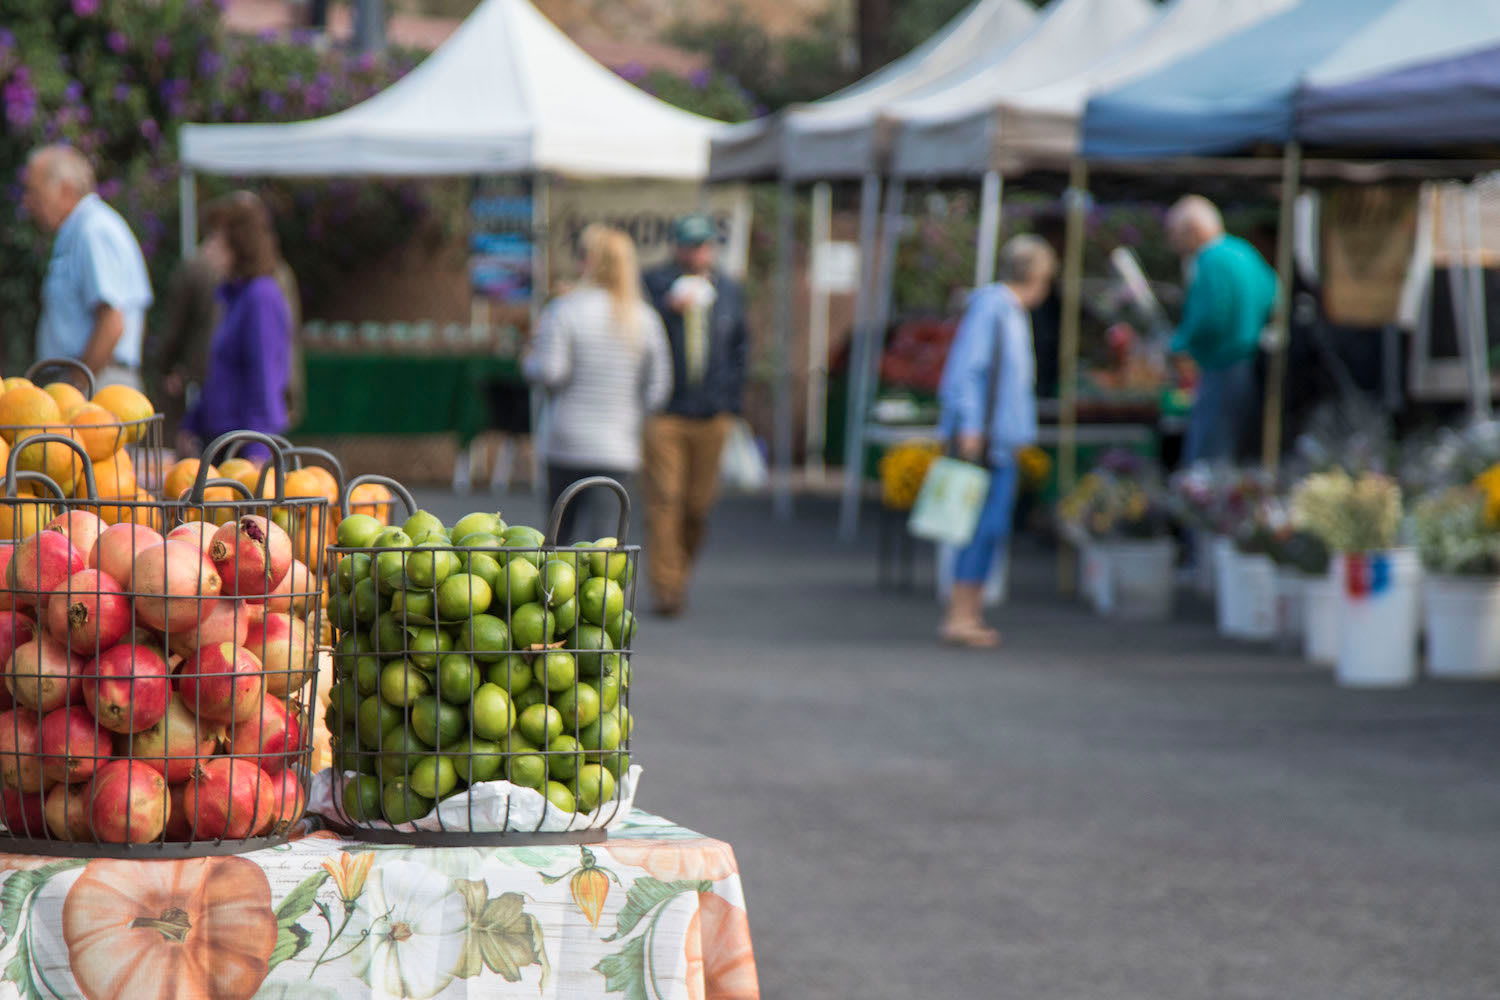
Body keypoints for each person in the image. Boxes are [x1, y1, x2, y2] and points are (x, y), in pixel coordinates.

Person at [937, 235, 1056, 648]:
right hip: (984, 441)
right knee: (980, 527)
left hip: (999, 440)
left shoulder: (1007, 310)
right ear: (1038, 275)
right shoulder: (993, 308)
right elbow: (965, 371)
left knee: (990, 528)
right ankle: (960, 614)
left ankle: (969, 612)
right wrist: (969, 426)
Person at [525, 226, 672, 545]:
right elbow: (659, 388)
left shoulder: (564, 310)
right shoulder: (645, 318)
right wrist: (632, 415)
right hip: (618, 446)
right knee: (605, 550)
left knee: (557, 544)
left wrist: (529, 355)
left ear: (588, 261)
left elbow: (551, 372)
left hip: (566, 441)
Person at [642, 215, 749, 617]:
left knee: (698, 505)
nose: (697, 252)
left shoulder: (730, 290)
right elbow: (642, 336)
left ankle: (679, 572)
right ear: (677, 247)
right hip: (666, 413)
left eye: (703, 244)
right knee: (665, 499)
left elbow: (740, 348)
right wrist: (669, 310)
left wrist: (731, 404)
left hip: (712, 414)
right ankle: (667, 587)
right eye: (689, 244)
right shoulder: (654, 284)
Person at [23, 145, 152, 388]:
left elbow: (112, 322)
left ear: (66, 190)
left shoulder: (93, 230)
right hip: (95, 378)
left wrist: (76, 384)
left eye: (36, 193)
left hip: (99, 382)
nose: (29, 203)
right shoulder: (80, 230)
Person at [180, 191, 293, 465]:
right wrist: (191, 423)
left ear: (238, 244)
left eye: (214, 239)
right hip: (222, 439)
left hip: (242, 447)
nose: (207, 249)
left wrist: (257, 453)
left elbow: (264, 378)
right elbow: (220, 374)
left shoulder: (260, 296)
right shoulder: (234, 296)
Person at [1166, 195, 1277, 466]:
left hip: (1221, 364)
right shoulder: (1242, 250)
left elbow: (1208, 317)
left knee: (1208, 458)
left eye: (1176, 235)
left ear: (1193, 230)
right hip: (1251, 363)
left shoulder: (1209, 260)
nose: (1174, 244)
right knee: (1234, 454)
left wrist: (1178, 345)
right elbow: (1275, 295)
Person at [149, 250, 221, 446]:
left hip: (194, 383)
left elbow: (174, 330)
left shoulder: (197, 269)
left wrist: (169, 369)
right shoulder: (274, 275)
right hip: (212, 393)